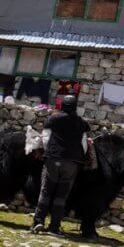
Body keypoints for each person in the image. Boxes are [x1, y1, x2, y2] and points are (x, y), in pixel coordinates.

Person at [32, 94, 90, 235]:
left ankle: (38, 222)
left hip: (53, 159)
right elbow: (84, 145)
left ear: (62, 105)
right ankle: (54, 227)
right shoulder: (82, 123)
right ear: (75, 107)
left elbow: (45, 139)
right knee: (61, 196)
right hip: (71, 163)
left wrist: (49, 151)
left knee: (46, 192)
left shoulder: (53, 119)